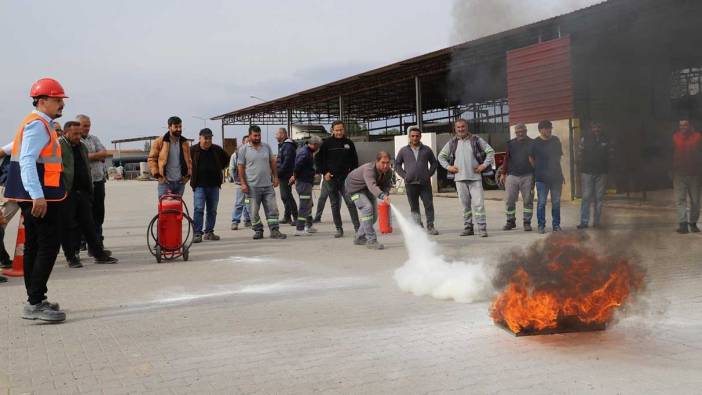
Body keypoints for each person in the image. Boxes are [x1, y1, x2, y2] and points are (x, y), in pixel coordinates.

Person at [4, 78, 70, 322]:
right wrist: (37, 196)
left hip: (37, 194)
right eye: (57, 99)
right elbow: (28, 160)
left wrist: (3, 149)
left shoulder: (39, 123)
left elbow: (17, 147)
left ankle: (36, 298)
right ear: (42, 101)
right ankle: (34, 303)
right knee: (47, 246)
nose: (61, 104)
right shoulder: (37, 125)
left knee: (34, 245)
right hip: (41, 196)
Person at [58, 121, 117, 267]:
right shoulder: (59, 146)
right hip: (67, 192)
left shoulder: (82, 146)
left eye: (79, 133)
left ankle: (98, 254)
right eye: (75, 134)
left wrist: (89, 189)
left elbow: (86, 166)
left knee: (89, 224)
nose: (79, 136)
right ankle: (71, 257)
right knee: (69, 226)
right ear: (66, 133)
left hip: (83, 192)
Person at [438, 118, 495, 237]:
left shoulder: (476, 140)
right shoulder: (452, 142)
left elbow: (490, 151)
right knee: (465, 206)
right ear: (455, 129)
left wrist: (483, 165)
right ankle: (468, 228)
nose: (461, 129)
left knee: (479, 204)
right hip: (459, 179)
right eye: (458, 127)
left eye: (463, 126)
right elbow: (441, 157)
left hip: (475, 178)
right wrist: (449, 167)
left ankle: (482, 228)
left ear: (467, 127)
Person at [237, 125, 286, 240]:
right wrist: (243, 183)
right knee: (253, 211)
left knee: (273, 209)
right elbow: (240, 167)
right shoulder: (243, 149)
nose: (257, 137)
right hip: (251, 187)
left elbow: (272, 162)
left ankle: (274, 230)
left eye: (259, 135)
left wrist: (275, 177)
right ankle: (258, 230)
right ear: (249, 136)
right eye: (255, 135)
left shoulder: (266, 147)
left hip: (268, 186)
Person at [315, 120, 360, 238]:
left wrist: (353, 174)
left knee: (350, 202)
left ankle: (358, 228)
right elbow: (318, 160)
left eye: (341, 130)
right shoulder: (326, 144)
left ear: (344, 130)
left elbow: (355, 161)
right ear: (332, 131)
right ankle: (339, 229)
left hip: (346, 179)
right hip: (331, 180)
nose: (339, 132)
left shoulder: (349, 143)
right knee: (335, 204)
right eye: (337, 130)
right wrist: (324, 172)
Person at [395, 126, 439, 235]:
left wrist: (429, 174)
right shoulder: (404, 150)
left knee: (428, 204)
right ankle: (418, 226)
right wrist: (404, 176)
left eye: (417, 136)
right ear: (409, 137)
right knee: (414, 207)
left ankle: (430, 226)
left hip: (424, 183)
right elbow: (397, 164)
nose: (415, 138)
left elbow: (434, 162)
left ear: (420, 136)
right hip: (410, 184)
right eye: (413, 136)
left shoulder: (427, 149)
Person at [345, 152, 393, 250]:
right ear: (377, 161)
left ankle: (359, 237)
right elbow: (372, 186)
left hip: (367, 189)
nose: (385, 165)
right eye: (383, 162)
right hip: (353, 190)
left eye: (388, 163)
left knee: (373, 217)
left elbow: (386, 185)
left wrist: (386, 193)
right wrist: (382, 196)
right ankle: (371, 240)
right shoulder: (369, 169)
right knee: (367, 208)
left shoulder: (389, 172)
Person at [190, 128, 229, 243]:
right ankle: (197, 233)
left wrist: (218, 168)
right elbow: (186, 162)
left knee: (212, 210)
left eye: (210, 138)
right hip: (199, 186)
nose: (207, 140)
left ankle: (209, 232)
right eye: (205, 138)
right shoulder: (193, 150)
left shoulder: (217, 149)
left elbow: (226, 159)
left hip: (214, 186)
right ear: (200, 138)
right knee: (199, 209)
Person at [77, 115, 109, 243]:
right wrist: (97, 156)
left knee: (98, 211)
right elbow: (80, 157)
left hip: (98, 180)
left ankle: (97, 239)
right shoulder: (75, 140)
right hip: (83, 184)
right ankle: (84, 240)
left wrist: (90, 156)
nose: (87, 128)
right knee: (84, 214)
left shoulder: (94, 138)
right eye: (84, 125)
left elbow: (104, 153)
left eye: (88, 125)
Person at [529, 120, 564, 234]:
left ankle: (556, 225)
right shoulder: (535, 143)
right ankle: (541, 225)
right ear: (540, 130)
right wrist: (539, 168)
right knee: (541, 202)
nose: (549, 130)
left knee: (556, 202)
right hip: (541, 179)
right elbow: (531, 158)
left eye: (550, 128)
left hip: (556, 178)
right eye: (546, 128)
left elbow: (558, 157)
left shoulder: (555, 140)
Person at [498, 123, 534, 231]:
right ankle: (510, 221)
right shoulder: (510, 144)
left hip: (528, 175)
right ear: (515, 132)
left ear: (526, 131)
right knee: (509, 200)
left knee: (528, 200)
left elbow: (537, 160)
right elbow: (506, 159)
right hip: (512, 176)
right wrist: (503, 173)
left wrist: (535, 177)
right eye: (518, 132)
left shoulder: (532, 143)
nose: (521, 133)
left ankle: (527, 222)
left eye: (523, 131)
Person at [577, 121, 613, 229]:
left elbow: (611, 155)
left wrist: (607, 169)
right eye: (594, 127)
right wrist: (582, 168)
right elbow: (579, 155)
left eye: (598, 127)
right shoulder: (585, 139)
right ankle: (584, 222)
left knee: (599, 198)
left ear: (601, 128)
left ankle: (597, 222)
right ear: (591, 128)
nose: (596, 129)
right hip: (587, 172)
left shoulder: (606, 139)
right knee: (586, 197)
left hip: (602, 173)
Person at [148, 116, 192, 197]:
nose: (179, 129)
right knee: (165, 208)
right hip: (165, 183)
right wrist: (158, 176)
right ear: (169, 127)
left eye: (180, 126)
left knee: (177, 208)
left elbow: (189, 160)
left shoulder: (185, 143)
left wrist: (188, 176)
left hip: (180, 183)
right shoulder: (160, 141)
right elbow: (152, 159)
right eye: (176, 127)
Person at [672, 119, 702, 234]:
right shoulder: (675, 137)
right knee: (680, 200)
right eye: (680, 125)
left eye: (685, 125)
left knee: (695, 201)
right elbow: (671, 153)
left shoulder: (698, 137)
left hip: (694, 174)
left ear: (690, 126)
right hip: (679, 174)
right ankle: (683, 225)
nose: (682, 127)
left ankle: (693, 224)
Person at [290, 136, 322, 236]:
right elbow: (297, 167)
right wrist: (294, 177)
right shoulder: (304, 153)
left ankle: (309, 225)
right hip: (303, 182)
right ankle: (299, 228)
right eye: (318, 146)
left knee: (309, 204)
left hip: (306, 182)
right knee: (304, 205)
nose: (318, 148)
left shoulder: (308, 152)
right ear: (315, 145)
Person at [0, 142, 20, 271]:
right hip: (11, 189)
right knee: (1, 225)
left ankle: (4, 258)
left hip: (27, 190)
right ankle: (3, 259)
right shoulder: (19, 142)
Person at [275, 128, 298, 225]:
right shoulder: (283, 145)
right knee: (284, 196)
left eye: (277, 134)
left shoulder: (287, 146)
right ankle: (287, 216)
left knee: (287, 196)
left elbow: (287, 162)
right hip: (283, 174)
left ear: (283, 134)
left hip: (285, 175)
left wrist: (279, 172)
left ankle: (296, 217)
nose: (275, 136)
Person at [229, 135, 251, 230]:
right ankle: (235, 221)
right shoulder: (236, 155)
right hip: (240, 184)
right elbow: (232, 168)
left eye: (249, 142)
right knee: (239, 203)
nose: (248, 143)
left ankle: (247, 220)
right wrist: (237, 180)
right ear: (243, 142)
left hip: (250, 184)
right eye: (246, 141)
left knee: (248, 202)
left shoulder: (252, 153)